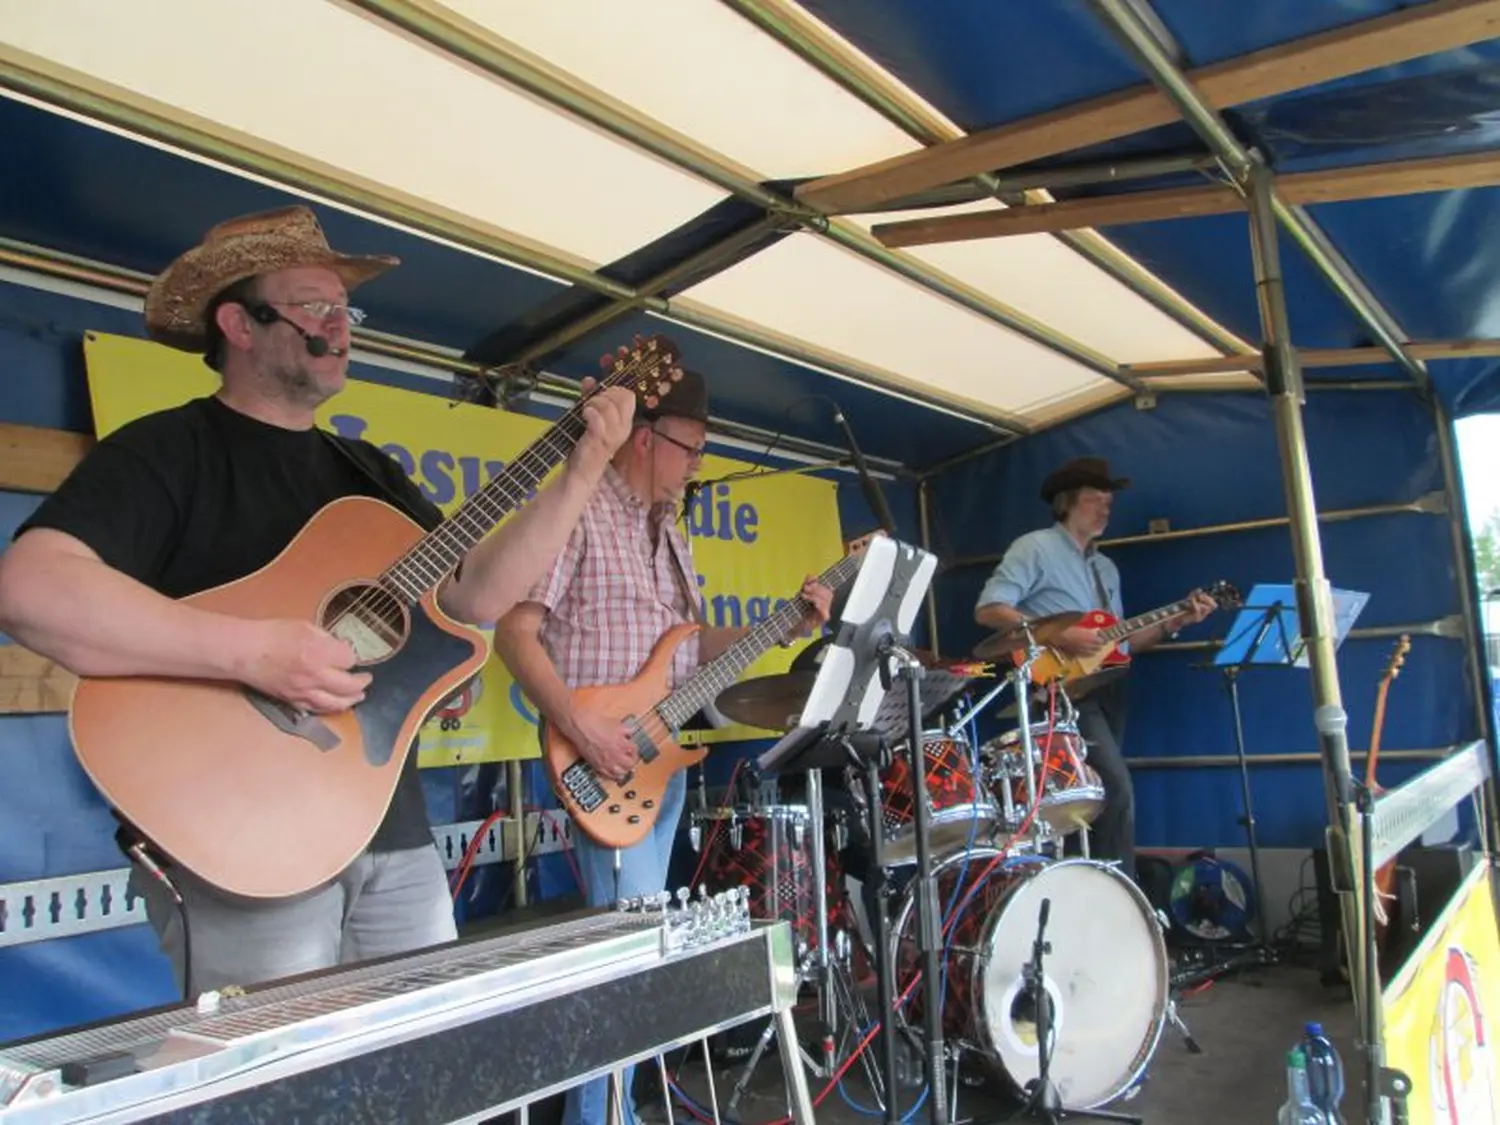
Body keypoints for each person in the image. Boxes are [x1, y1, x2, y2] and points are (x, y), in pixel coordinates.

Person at [0, 205, 636, 993]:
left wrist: (582, 473)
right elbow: (30, 586)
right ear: (238, 322)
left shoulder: (364, 469)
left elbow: (475, 592)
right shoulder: (168, 450)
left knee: (425, 1060)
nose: (340, 327)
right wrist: (255, 653)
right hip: (242, 828)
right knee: (280, 1092)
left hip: (389, 823)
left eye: (346, 309)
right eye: (315, 306)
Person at [494, 352, 832, 1125]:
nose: (698, 462)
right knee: (629, 955)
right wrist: (580, 723)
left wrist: (783, 625)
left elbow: (690, 648)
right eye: (692, 445)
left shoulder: (671, 536)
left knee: (648, 948)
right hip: (599, 756)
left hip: (661, 762)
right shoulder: (578, 509)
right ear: (645, 437)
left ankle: (617, 1107)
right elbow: (515, 634)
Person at [973, 456, 1214, 879]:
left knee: (1090, 798)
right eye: (1094, 500)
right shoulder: (1036, 548)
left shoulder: (1105, 568)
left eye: (1108, 501)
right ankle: (1122, 891)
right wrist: (1056, 634)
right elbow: (990, 610)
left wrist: (1174, 623)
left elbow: (1118, 645)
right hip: (1061, 692)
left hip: (1109, 687)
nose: (1105, 509)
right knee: (1115, 790)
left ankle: (1085, 886)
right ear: (1067, 503)